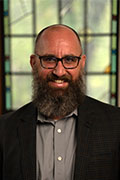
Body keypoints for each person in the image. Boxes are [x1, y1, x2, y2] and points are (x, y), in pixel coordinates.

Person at [0, 24, 120, 180]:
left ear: (82, 63)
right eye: (49, 59)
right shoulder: (4, 130)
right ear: (33, 62)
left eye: (69, 60)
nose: (59, 71)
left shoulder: (117, 124)